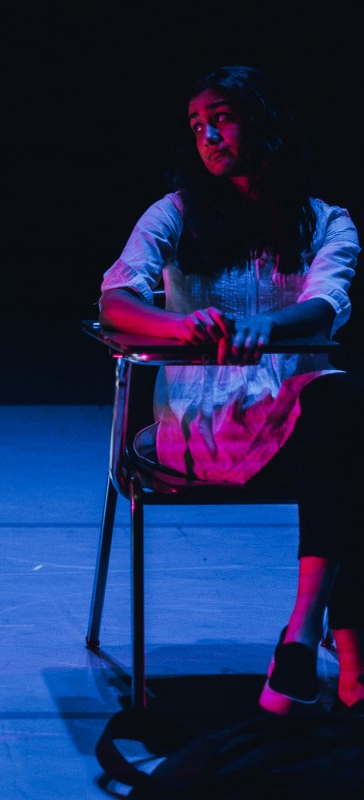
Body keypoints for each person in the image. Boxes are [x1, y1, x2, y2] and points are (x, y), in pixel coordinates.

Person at [97, 65, 362, 716]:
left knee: (342, 422)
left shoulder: (327, 222)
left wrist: (270, 325)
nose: (207, 136)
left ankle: (302, 635)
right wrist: (178, 326)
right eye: (196, 126)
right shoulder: (175, 214)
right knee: (350, 438)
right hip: (197, 429)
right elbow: (114, 300)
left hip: (293, 426)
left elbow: (327, 303)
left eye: (221, 118)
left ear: (264, 124)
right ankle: (344, 651)